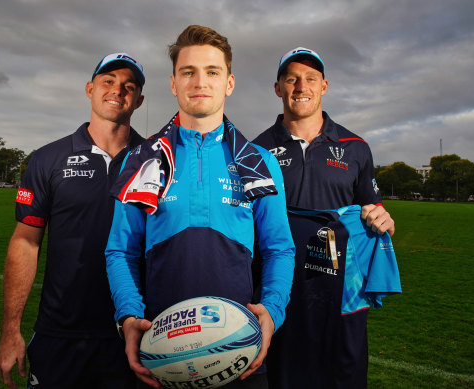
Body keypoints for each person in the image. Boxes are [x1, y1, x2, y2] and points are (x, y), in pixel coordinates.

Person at [104, 25, 295, 389]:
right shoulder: (142, 161)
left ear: (230, 83)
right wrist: (128, 317)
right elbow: (120, 251)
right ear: (174, 83)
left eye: (212, 71)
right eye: (188, 72)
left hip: (240, 354)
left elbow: (279, 248)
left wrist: (272, 312)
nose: (200, 82)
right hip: (162, 356)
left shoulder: (259, 162)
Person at [0, 52, 146, 389]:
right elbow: (25, 242)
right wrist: (10, 330)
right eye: (108, 81)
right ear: (90, 88)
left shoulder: (154, 160)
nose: (117, 91)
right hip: (60, 333)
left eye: (129, 86)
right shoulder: (49, 159)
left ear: (139, 99)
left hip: (135, 332)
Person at [253, 47, 399, 388]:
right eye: (291, 79)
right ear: (278, 88)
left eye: (310, 79)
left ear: (324, 86)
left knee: (341, 374)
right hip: (279, 286)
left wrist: (383, 221)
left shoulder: (355, 147)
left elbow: (372, 209)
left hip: (339, 292)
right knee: (281, 373)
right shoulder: (255, 151)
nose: (301, 86)